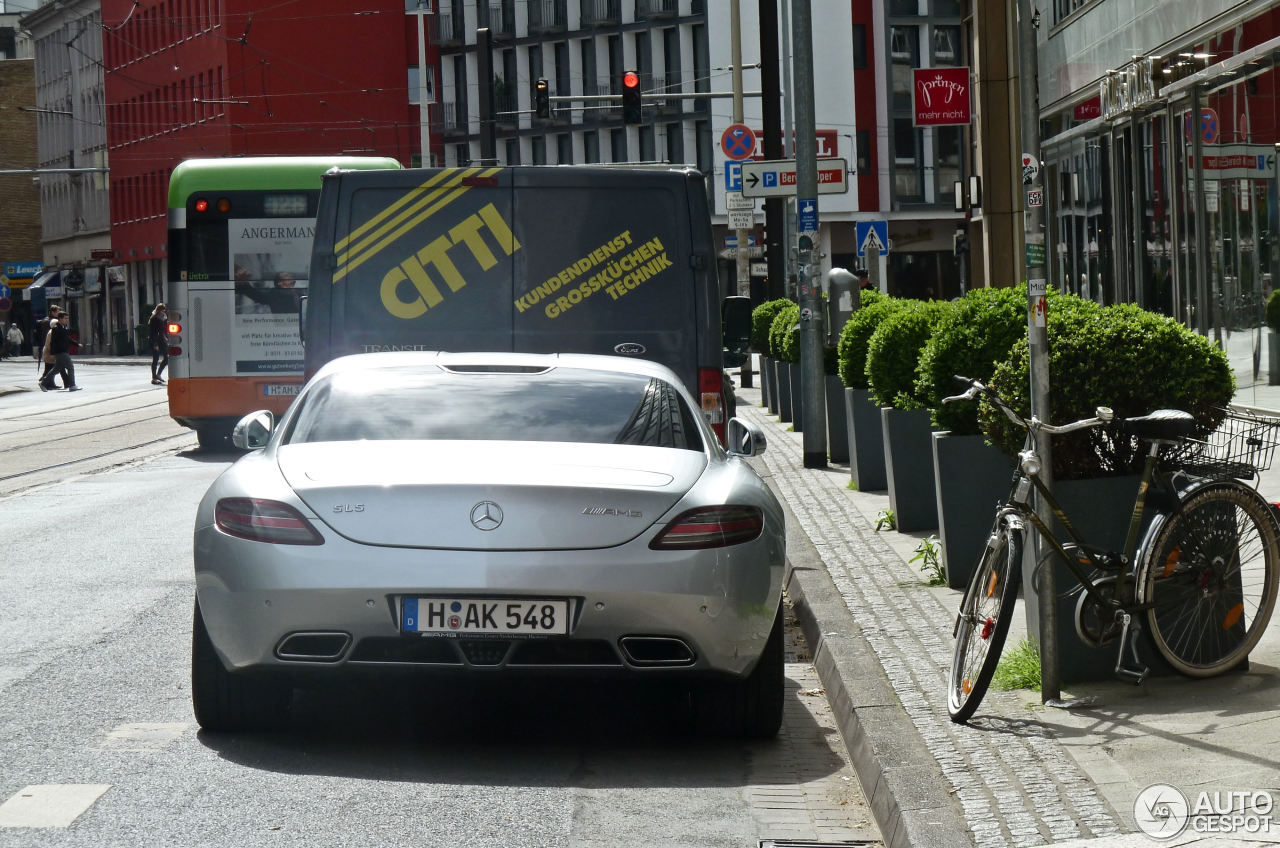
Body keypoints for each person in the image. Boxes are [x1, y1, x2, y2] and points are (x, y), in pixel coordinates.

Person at [41, 310, 78, 392]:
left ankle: (43, 383)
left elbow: (67, 339)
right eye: (65, 318)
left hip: (62, 351)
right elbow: (52, 342)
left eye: (67, 318)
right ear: (60, 319)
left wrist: (77, 344)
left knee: (56, 369)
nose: (67, 320)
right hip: (61, 351)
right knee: (70, 367)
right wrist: (52, 353)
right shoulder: (56, 329)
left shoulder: (63, 328)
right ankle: (72, 385)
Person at [34, 308, 60, 390]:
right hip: (48, 347)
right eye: (57, 312)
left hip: (49, 347)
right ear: (52, 312)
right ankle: (46, 382)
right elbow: (47, 337)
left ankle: (48, 382)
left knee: (50, 366)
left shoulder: (51, 320)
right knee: (50, 366)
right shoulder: (47, 322)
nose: (58, 313)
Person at [148, 303, 169, 385]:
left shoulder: (164, 318)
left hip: (162, 340)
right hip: (155, 341)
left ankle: (158, 374)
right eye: (163, 310)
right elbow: (152, 332)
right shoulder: (154, 319)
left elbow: (164, 331)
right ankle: (153, 378)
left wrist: (166, 338)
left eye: (164, 310)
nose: (164, 312)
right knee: (155, 359)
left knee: (166, 358)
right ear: (159, 310)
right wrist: (155, 344)